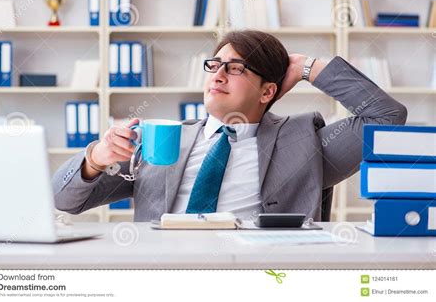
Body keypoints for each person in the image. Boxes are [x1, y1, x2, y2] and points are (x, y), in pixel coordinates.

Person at [52, 30, 407, 221]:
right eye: (214, 65)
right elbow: (63, 200)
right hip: (163, 276)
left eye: (236, 68)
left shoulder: (304, 144)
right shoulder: (159, 139)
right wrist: (95, 158)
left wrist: (302, 65)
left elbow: (386, 117)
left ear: (268, 90)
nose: (218, 75)